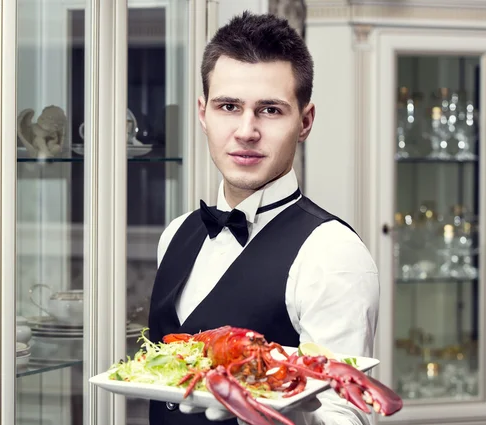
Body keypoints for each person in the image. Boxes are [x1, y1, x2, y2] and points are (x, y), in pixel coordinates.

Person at [147, 11, 379, 425]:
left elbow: (347, 415)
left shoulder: (332, 254)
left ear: (304, 122)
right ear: (203, 114)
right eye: (229, 106)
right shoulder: (175, 234)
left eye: (270, 110)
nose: (246, 130)